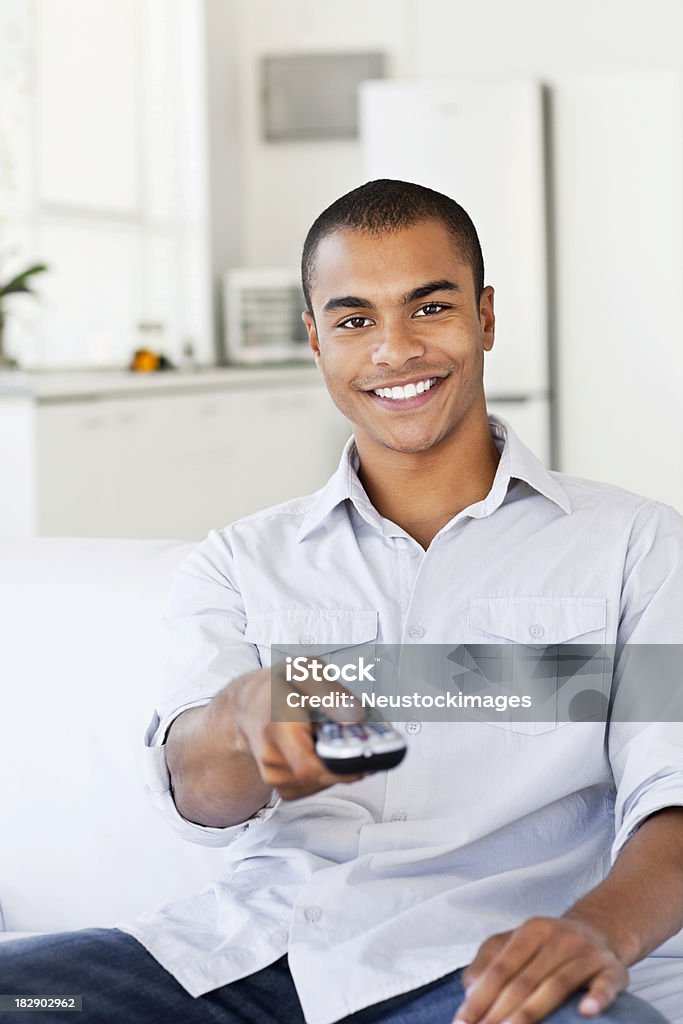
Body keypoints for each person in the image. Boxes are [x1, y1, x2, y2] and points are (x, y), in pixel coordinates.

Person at [2, 179, 682, 1024]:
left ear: (485, 318)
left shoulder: (636, 549)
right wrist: (244, 718)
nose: (394, 351)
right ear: (316, 340)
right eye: (355, 319)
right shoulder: (240, 563)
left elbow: (674, 796)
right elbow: (198, 791)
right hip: (241, 965)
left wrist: (597, 933)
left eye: (428, 308)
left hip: (483, 979)